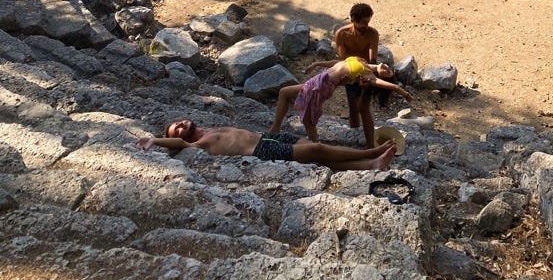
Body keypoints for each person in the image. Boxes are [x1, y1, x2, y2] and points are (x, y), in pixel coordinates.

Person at [135, 118, 398, 171]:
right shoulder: (199, 143)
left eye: (178, 122)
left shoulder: (211, 128)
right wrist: (155, 140)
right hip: (262, 151)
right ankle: (370, 152)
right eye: (176, 128)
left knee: (318, 155)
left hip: (268, 137)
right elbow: (178, 142)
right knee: (317, 151)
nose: (180, 126)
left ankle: (370, 165)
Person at [269, 56, 411, 141]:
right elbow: (336, 62)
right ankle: (276, 129)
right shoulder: (361, 62)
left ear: (380, 76)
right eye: (388, 68)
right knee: (284, 93)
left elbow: (391, 87)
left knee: (308, 119)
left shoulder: (369, 76)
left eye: (387, 72)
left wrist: (403, 92)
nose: (386, 68)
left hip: (323, 86)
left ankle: (313, 146)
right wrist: (317, 64)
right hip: (318, 79)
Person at [335, 2, 383, 147]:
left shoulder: (372, 34)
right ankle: (354, 139)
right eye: (363, 22)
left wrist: (369, 77)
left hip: (367, 72)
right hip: (350, 72)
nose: (366, 26)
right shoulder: (342, 34)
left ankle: (370, 146)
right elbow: (342, 59)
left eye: (368, 22)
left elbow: (372, 59)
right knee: (353, 107)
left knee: (364, 108)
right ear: (353, 19)